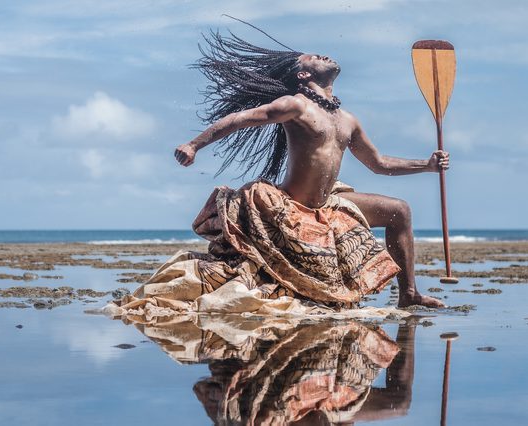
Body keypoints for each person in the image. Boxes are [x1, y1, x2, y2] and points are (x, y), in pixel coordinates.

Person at [173, 28, 448, 309]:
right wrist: (194, 145)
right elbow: (238, 119)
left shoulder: (347, 120)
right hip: (291, 205)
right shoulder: (295, 105)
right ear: (303, 75)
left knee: (399, 210)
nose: (323, 54)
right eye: (314, 57)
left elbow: (379, 164)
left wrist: (426, 165)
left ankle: (409, 293)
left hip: (327, 204)